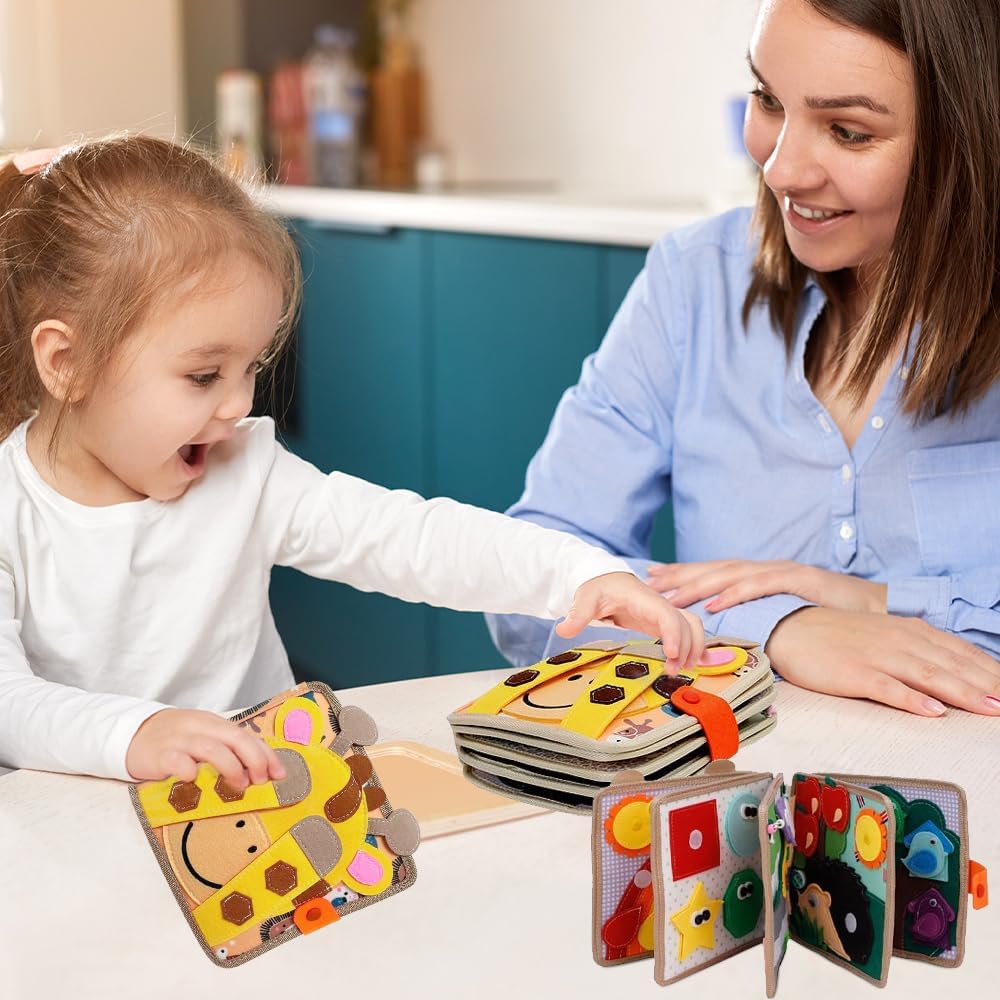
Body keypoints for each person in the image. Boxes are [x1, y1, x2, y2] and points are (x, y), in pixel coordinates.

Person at [0, 135, 705, 785]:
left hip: (273, 822)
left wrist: (581, 570)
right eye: (203, 376)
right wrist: (139, 734)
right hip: (85, 843)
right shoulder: (11, 512)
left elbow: (411, 538)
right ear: (67, 363)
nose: (237, 406)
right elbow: (9, 704)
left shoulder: (243, 471)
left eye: (252, 367)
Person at [488, 0, 1000, 718]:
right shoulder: (695, 281)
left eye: (848, 132)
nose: (781, 169)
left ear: (970, 138)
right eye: (767, 100)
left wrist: (876, 603)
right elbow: (527, 584)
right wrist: (779, 628)